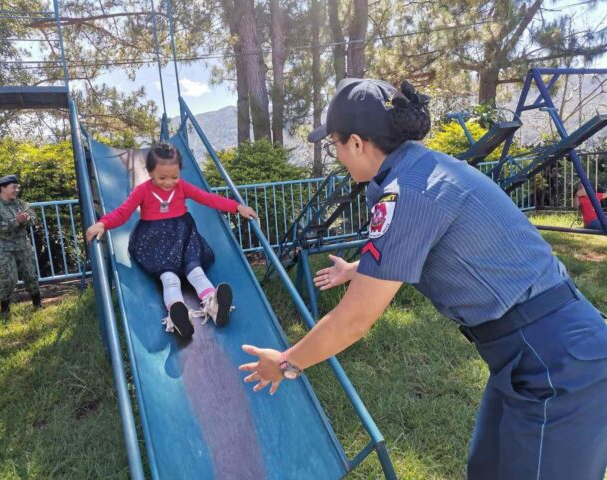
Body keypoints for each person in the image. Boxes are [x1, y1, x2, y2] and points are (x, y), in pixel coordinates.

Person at [239, 79, 607, 479]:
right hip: (530, 351)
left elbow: (355, 321)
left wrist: (287, 363)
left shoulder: (408, 191)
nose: (338, 157)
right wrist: (356, 270)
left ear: (358, 144)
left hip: (556, 362)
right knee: (485, 469)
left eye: (336, 146)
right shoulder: (421, 170)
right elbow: (418, 246)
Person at [86, 142, 257, 338]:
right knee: (169, 279)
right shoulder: (142, 191)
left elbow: (207, 198)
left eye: (174, 177)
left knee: (195, 270)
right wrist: (103, 224)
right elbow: (123, 212)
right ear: (150, 172)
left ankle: (214, 304)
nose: (169, 182)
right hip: (155, 241)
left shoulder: (182, 187)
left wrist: (237, 207)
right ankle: (176, 313)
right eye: (162, 177)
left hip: (183, 236)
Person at [0, 174, 41, 316]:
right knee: (8, 280)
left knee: (31, 275)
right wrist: (16, 221)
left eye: (17, 187)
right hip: (3, 249)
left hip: (23, 246)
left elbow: (34, 219)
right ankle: (4, 311)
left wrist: (26, 218)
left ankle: (37, 305)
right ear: (3, 188)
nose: (17, 190)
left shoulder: (22, 204)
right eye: (13, 187)